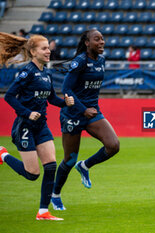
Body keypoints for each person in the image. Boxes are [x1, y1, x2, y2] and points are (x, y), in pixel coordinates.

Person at [0, 32, 74, 220]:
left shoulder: (45, 74)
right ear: (33, 52)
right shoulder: (28, 72)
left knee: (51, 166)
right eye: (44, 48)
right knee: (32, 174)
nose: (48, 51)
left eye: (48, 48)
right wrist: (26, 113)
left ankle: (43, 212)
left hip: (41, 126)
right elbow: (9, 96)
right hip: (24, 126)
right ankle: (3, 154)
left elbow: (51, 99)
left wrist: (65, 102)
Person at [51, 29, 120, 210]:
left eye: (103, 39)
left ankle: (85, 166)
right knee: (69, 160)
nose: (102, 42)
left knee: (113, 145)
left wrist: (89, 109)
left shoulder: (102, 60)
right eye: (97, 39)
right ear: (87, 43)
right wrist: (82, 109)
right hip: (73, 114)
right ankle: (55, 194)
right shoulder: (80, 61)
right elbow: (66, 89)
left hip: (92, 113)